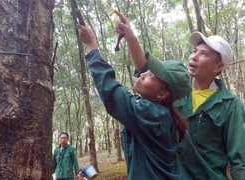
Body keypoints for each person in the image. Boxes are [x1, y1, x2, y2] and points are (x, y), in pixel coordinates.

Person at [113, 10, 245, 180]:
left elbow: (239, 160)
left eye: (203, 54)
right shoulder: (176, 91)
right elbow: (145, 68)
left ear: (218, 67)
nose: (194, 56)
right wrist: (130, 35)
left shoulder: (230, 104)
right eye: (194, 51)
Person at [76, 19, 191, 179]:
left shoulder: (153, 115)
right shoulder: (159, 113)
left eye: (151, 75)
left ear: (163, 94)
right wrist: (129, 35)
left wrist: (92, 48)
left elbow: (112, 92)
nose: (142, 74)